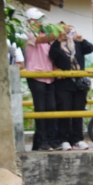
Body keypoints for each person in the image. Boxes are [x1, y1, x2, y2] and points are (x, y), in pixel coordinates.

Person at [48, 26, 93, 149]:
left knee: (78, 111)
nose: (67, 34)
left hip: (79, 83)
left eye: (69, 31)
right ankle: (64, 139)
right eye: (64, 31)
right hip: (64, 84)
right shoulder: (56, 45)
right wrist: (58, 41)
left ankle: (78, 139)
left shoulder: (77, 44)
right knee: (64, 111)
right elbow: (52, 55)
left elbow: (90, 48)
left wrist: (80, 39)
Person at [21, 8, 60, 151]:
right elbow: (39, 40)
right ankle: (43, 141)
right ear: (30, 22)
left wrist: (55, 67)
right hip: (35, 75)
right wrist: (57, 33)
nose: (41, 22)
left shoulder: (48, 36)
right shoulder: (26, 34)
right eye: (38, 20)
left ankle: (51, 139)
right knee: (41, 109)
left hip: (49, 76)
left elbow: (52, 54)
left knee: (51, 108)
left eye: (41, 20)